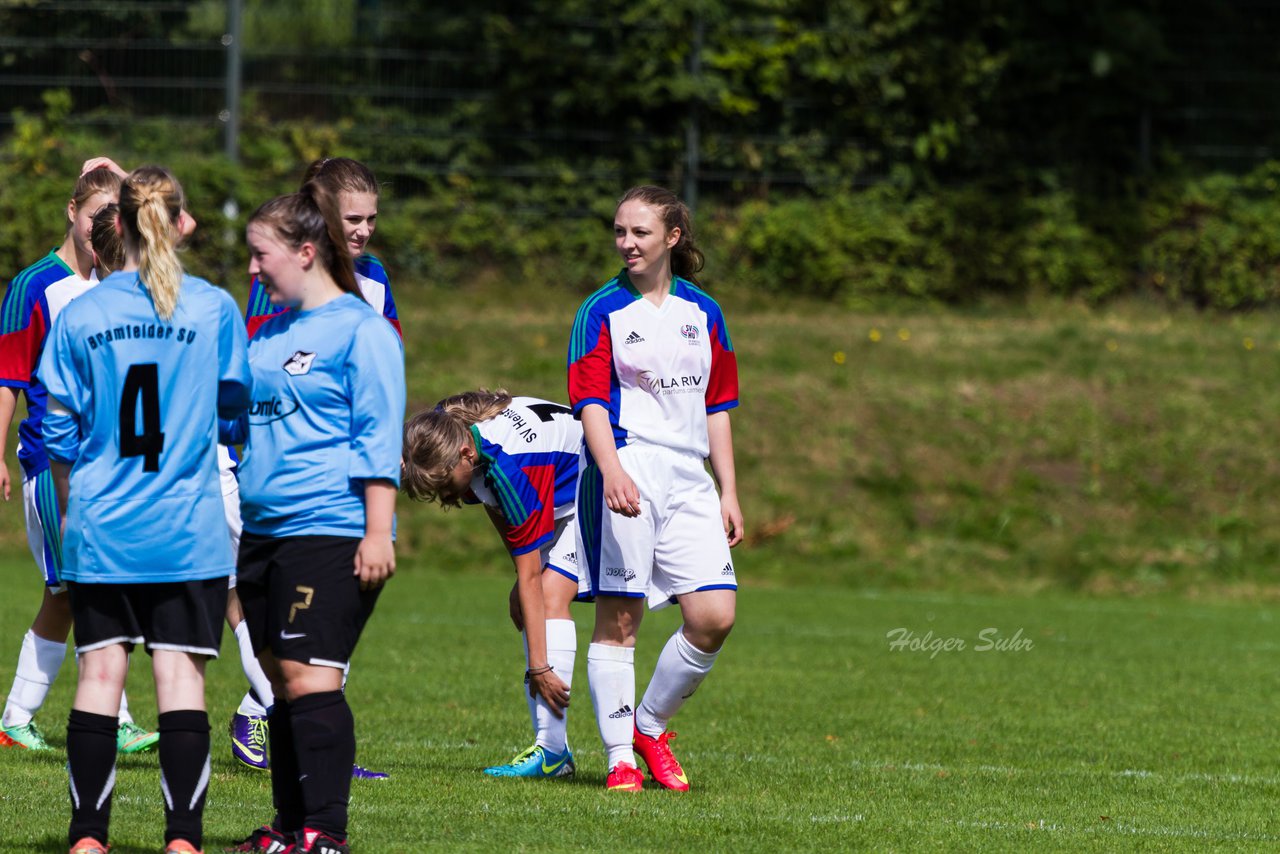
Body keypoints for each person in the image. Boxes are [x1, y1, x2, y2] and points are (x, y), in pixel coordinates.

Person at [40, 165, 252, 854]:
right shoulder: (214, 307)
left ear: (118, 226)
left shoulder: (83, 312)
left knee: (100, 675)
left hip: (103, 527)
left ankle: (87, 839)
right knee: (179, 678)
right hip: (187, 529)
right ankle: (183, 841)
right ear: (180, 222)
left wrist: (74, 513)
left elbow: (56, 430)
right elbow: (233, 409)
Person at [224, 177, 404, 854]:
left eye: (259, 253)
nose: (250, 268)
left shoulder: (363, 331)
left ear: (304, 251)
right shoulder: (270, 335)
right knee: (277, 676)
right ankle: (287, 827)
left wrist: (378, 529)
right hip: (264, 532)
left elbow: (378, 432)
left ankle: (325, 834)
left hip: (330, 527)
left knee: (309, 675)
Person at [567, 185, 743, 792]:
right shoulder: (600, 310)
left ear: (672, 238)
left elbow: (718, 405)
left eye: (639, 232)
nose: (626, 243)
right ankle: (619, 757)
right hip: (630, 465)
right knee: (621, 618)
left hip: (691, 477)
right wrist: (611, 469)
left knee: (714, 615)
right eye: (619, 231)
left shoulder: (705, 312)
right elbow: (588, 399)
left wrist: (728, 489)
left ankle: (649, 725)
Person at [0, 164, 160, 754]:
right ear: (72, 212)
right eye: (96, 216)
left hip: (101, 465)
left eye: (114, 217)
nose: (104, 227)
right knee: (92, 588)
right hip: (51, 462)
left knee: (64, 597)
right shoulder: (35, 285)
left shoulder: (109, 285)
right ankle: (113, 720)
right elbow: (8, 378)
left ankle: (15, 719)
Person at [402, 390, 590, 779]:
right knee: (528, 599)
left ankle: (553, 753)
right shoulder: (448, 431)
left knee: (548, 594)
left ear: (466, 456)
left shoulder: (512, 466)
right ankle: (554, 751)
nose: (442, 494)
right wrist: (524, 574)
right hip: (558, 489)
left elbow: (529, 571)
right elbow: (493, 503)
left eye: (442, 484)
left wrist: (541, 667)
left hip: (599, 492)